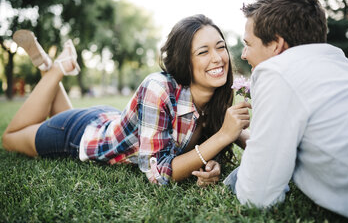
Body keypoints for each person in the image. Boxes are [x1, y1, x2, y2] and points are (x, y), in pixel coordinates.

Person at [2, 14, 250, 186]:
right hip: (77, 136)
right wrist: (222, 137)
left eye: (220, 47)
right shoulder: (159, 87)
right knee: (10, 138)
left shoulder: (218, 95)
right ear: (186, 60)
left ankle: (48, 67)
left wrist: (211, 164)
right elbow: (158, 174)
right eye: (203, 52)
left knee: (53, 117)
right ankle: (56, 70)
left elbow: (242, 144)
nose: (218, 58)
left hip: (107, 120)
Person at [223, 0, 348, 222]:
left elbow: (257, 196)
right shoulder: (342, 65)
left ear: (276, 45)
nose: (243, 54)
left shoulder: (276, 71)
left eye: (249, 44)